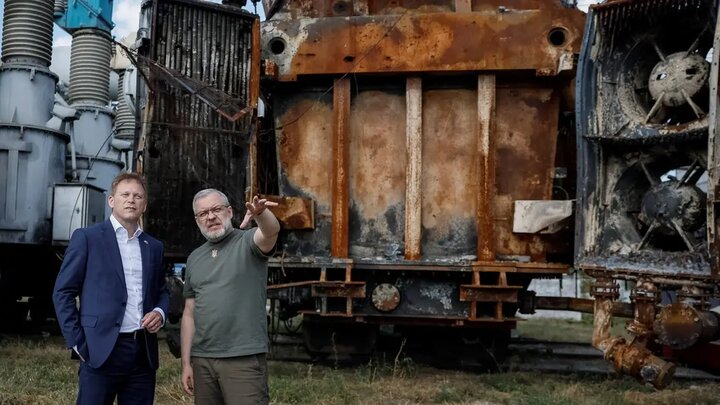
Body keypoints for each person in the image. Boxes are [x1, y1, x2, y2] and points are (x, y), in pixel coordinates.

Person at [53, 172, 169, 405]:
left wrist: (160, 312)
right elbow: (63, 292)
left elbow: (162, 290)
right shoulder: (87, 238)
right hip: (100, 350)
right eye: (125, 194)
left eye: (138, 196)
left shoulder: (153, 246)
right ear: (111, 200)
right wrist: (78, 343)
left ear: (144, 205)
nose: (131, 200)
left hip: (142, 354)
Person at [181, 189, 279, 405]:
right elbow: (189, 313)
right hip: (203, 360)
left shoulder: (247, 242)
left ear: (229, 211)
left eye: (216, 209)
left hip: (242, 359)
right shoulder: (194, 258)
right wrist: (187, 362)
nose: (210, 217)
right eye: (203, 213)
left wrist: (261, 214)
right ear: (197, 220)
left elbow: (271, 232)